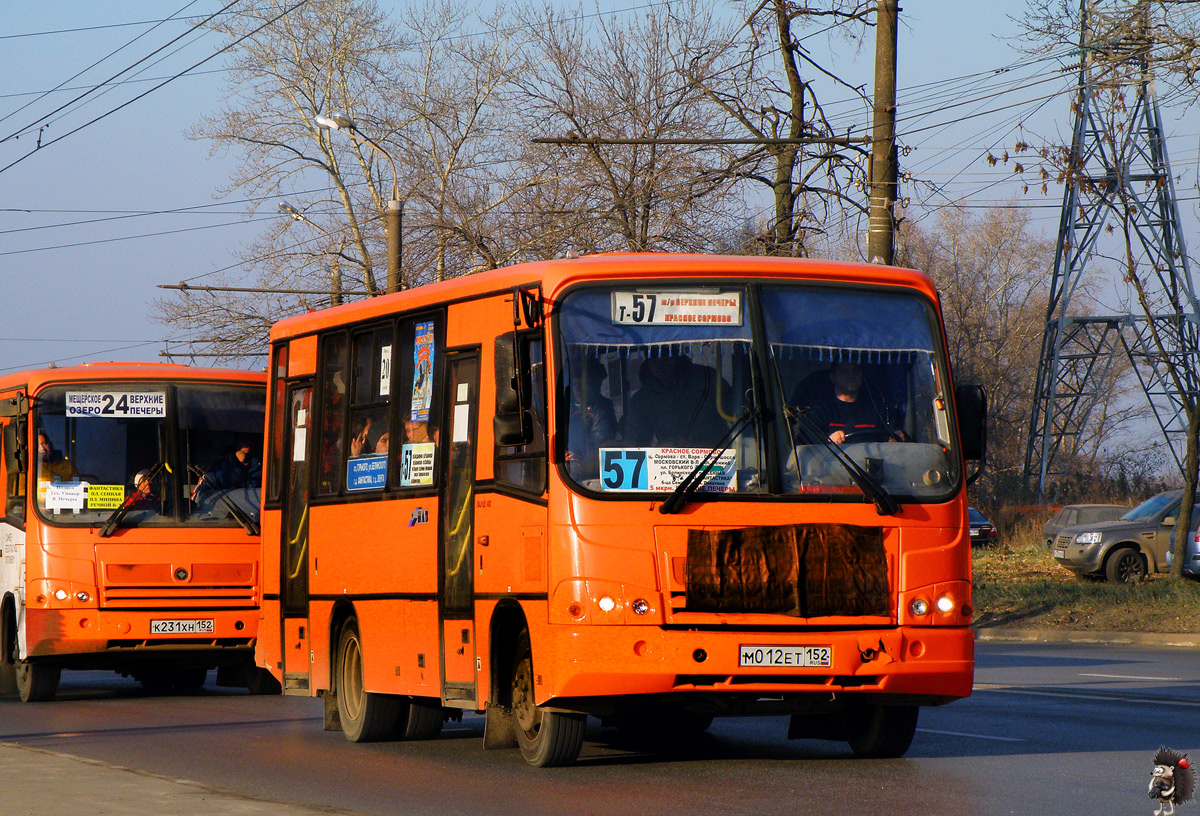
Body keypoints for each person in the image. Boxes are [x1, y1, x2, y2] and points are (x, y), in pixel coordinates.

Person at [624, 354, 730, 447]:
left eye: (666, 360)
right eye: (655, 361)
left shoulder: (707, 379)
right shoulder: (642, 399)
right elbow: (637, 441)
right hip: (670, 461)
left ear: (676, 359)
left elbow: (738, 415)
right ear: (648, 362)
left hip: (718, 458)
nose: (661, 366)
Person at [801, 361, 902, 444]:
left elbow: (892, 434)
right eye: (844, 371)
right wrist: (828, 440)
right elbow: (806, 438)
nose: (851, 375)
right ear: (832, 377)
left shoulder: (877, 409)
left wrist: (896, 438)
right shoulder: (821, 410)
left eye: (856, 371)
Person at [565, 358, 617, 480]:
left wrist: (578, 456)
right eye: (575, 385)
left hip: (589, 471)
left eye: (582, 385)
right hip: (565, 466)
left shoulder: (602, 408)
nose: (578, 389)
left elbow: (600, 442)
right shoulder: (562, 407)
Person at [194, 436, 262, 509]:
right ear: (237, 441)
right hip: (227, 516)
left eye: (251, 439)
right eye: (244, 438)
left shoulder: (264, 466)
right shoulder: (219, 467)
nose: (248, 442)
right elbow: (199, 493)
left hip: (258, 515)